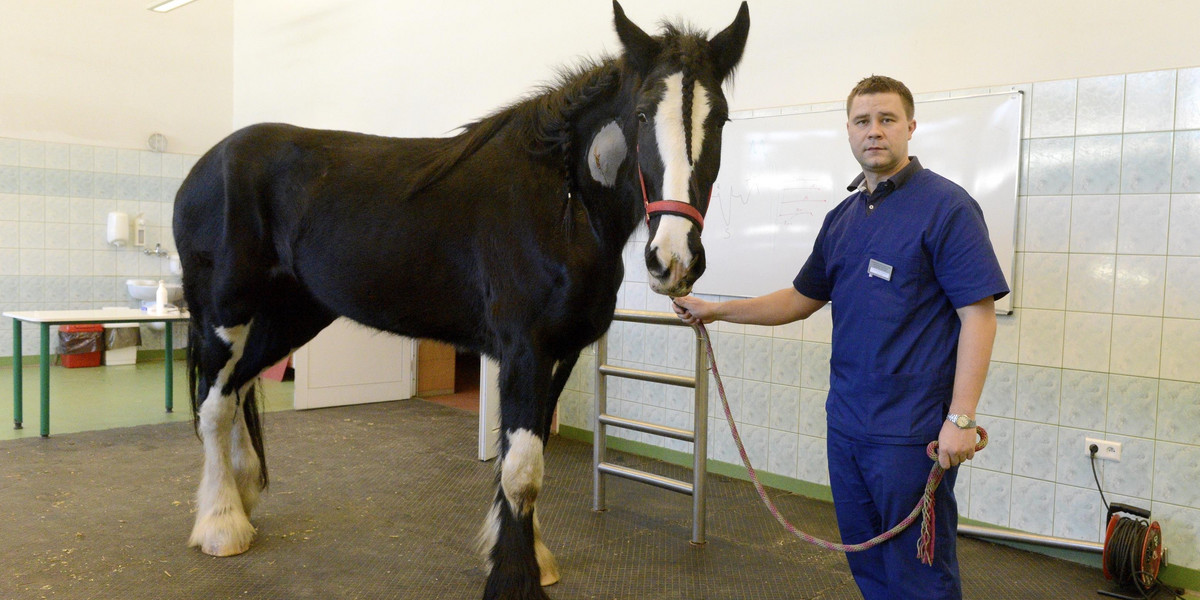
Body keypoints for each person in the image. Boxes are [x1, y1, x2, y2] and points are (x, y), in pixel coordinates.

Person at [672, 75, 1009, 600]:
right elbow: (800, 299)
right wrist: (716, 310)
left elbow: (978, 315)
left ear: (911, 127)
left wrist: (961, 419)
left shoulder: (947, 208)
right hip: (847, 427)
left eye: (886, 119)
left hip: (911, 435)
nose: (873, 131)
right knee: (868, 564)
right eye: (862, 121)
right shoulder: (842, 219)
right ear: (849, 132)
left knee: (919, 573)